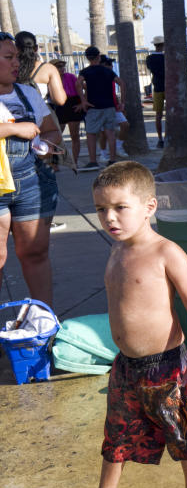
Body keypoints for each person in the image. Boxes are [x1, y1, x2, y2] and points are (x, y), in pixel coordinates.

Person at [62, 161, 187, 488]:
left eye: (119, 208)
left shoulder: (166, 252)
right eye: (100, 209)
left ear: (149, 206)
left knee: (181, 432)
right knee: (117, 432)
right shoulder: (117, 250)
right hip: (126, 366)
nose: (109, 217)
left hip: (167, 365)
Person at [0, 31, 62, 305]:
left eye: (17, 57)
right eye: (8, 57)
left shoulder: (27, 92)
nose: (17, 63)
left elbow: (51, 131)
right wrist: (15, 129)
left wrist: (45, 146)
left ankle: (45, 322)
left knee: (35, 254)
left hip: (31, 183)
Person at [77, 47, 125, 170]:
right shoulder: (108, 71)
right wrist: (122, 102)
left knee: (91, 134)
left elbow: (78, 83)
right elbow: (121, 83)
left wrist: (83, 100)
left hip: (93, 106)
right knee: (110, 133)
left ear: (87, 58)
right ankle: (112, 160)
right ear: (99, 56)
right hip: (109, 106)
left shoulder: (85, 71)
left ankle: (93, 161)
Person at [15, 31, 66, 109]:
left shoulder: (9, 68)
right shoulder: (48, 69)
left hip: (16, 114)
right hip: (44, 115)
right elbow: (60, 100)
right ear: (36, 48)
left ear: (16, 48)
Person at [51, 59, 83, 167]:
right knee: (56, 136)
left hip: (73, 103)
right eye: (59, 66)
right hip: (59, 106)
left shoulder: (70, 76)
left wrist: (83, 102)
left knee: (75, 135)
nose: (62, 68)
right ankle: (54, 162)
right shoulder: (50, 78)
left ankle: (75, 161)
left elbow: (84, 88)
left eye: (63, 66)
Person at [145, 35, 165, 148]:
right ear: (163, 45)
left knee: (158, 114)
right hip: (168, 86)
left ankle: (160, 139)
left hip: (157, 87)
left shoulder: (150, 59)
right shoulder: (166, 57)